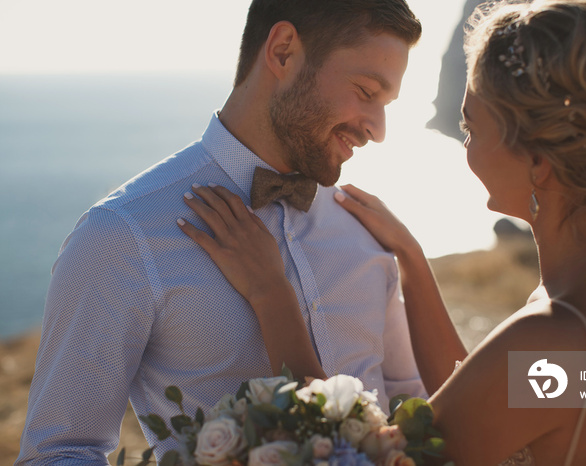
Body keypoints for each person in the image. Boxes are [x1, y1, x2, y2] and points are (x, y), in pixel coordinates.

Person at [176, 0, 586, 464]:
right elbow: (502, 401)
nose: (466, 145)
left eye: (471, 126)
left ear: (538, 160)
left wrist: (271, 294)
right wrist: (413, 260)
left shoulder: (553, 333)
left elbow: (363, 456)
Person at [17, 1, 426, 464]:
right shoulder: (124, 235)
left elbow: (412, 407)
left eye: (385, 103)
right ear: (284, 51)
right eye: (365, 90)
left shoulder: (365, 226)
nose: (378, 129)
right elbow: (58, 451)